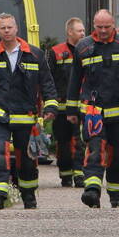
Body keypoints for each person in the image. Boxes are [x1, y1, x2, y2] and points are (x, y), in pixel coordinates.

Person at [0, 13, 59, 209]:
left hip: (25, 116)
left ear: (17, 28)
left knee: (27, 160)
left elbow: (47, 85)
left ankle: (28, 195)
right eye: (3, 28)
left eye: (10, 27)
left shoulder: (35, 54)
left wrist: (51, 106)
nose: (7, 30)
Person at [66, 9, 119, 208]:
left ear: (113, 25)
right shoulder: (83, 47)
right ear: (93, 25)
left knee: (117, 155)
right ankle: (92, 190)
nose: (102, 31)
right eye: (99, 27)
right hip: (93, 112)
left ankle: (116, 196)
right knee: (94, 149)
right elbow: (75, 80)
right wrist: (72, 110)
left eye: (106, 27)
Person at [46, 17, 87, 187]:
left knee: (82, 141)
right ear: (70, 32)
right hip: (62, 107)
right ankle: (65, 175)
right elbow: (48, 80)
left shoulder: (88, 50)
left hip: (82, 105)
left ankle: (79, 175)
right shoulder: (56, 52)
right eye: (80, 31)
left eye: (84, 30)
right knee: (63, 142)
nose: (83, 33)